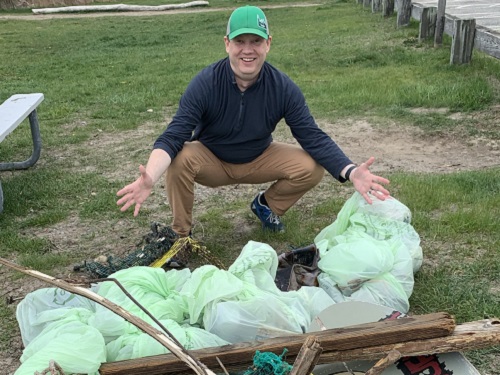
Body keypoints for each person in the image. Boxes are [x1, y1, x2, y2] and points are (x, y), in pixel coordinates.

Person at [117, 5, 390, 237]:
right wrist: (150, 177)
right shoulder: (205, 83)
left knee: (310, 166)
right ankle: (181, 237)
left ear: (268, 44)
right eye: (240, 42)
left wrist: (352, 171)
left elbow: (312, 135)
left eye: (256, 41)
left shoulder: (282, 87)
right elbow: (174, 134)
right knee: (179, 157)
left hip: (258, 157)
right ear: (227, 43)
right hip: (212, 159)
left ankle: (266, 205)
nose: (248, 50)